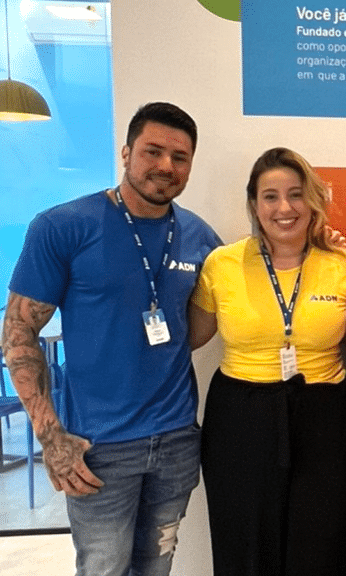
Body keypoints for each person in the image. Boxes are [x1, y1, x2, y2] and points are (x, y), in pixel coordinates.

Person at [2, 102, 221, 576]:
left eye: (180, 157)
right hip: (97, 446)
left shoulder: (200, 237)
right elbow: (18, 332)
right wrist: (50, 437)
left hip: (177, 440)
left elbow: (230, 300)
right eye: (152, 151)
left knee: (157, 565)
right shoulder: (63, 227)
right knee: (104, 569)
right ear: (126, 153)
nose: (166, 165)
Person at [189, 147, 346, 575]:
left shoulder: (341, 264)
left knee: (323, 546)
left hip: (325, 417)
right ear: (254, 204)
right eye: (270, 196)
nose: (284, 208)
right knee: (245, 544)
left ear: (313, 201)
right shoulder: (222, 264)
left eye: (296, 194)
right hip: (241, 418)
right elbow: (189, 339)